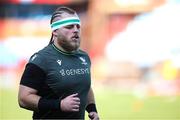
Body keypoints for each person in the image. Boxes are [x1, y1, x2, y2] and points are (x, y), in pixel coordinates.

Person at [18, 6, 99, 120]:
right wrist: (59, 105)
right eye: (69, 27)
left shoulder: (84, 57)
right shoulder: (41, 59)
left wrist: (92, 109)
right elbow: (23, 99)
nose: (75, 30)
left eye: (78, 26)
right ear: (55, 31)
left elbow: (85, 87)